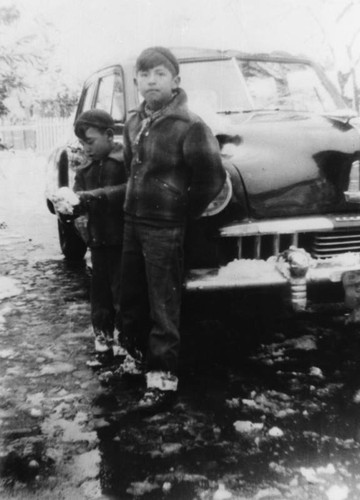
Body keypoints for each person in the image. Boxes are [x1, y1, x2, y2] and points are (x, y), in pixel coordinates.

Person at [120, 46, 226, 411]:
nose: (151, 80)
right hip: (132, 222)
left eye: (160, 74)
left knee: (163, 305)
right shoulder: (134, 123)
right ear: (136, 81)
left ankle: (162, 379)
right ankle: (134, 360)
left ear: (175, 81)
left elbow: (212, 178)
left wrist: (181, 210)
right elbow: (127, 168)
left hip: (165, 228)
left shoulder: (190, 126)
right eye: (144, 74)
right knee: (131, 297)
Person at [72, 109, 127, 363]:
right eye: (82, 144)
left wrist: (96, 195)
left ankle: (124, 340)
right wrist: (69, 205)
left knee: (122, 293)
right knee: (99, 294)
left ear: (109, 135)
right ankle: (102, 339)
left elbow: (129, 190)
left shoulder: (124, 162)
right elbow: (77, 200)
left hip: (122, 242)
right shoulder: (85, 170)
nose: (86, 149)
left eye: (90, 142)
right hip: (97, 243)